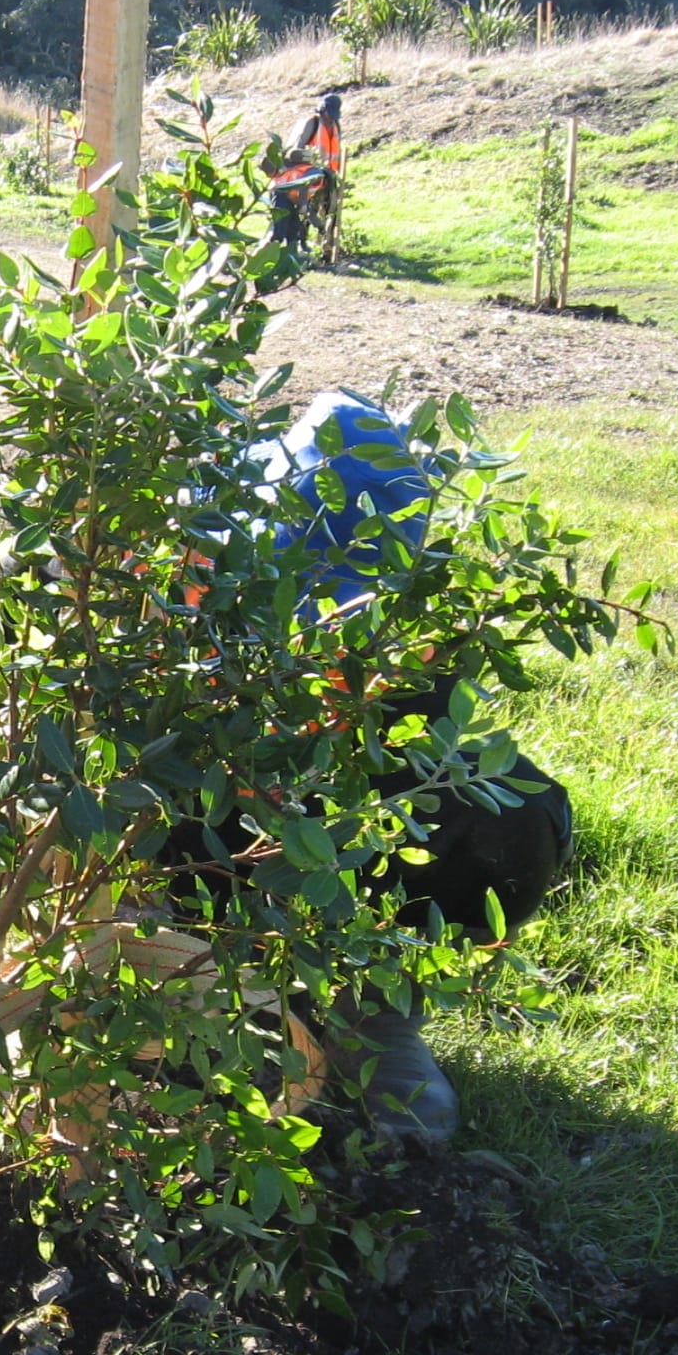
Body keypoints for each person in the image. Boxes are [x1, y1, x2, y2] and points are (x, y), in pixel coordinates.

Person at [166, 388, 575, 1147]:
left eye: (350, 616)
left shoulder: (418, 636)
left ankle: (366, 1008)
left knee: (514, 816)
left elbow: (434, 759)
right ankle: (153, 971)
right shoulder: (177, 554)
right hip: (183, 834)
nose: (324, 640)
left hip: (319, 845)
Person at [268, 89, 344, 253]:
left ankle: (295, 250)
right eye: (328, 114)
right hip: (293, 182)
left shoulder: (335, 126)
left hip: (322, 175)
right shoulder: (312, 123)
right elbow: (296, 150)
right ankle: (272, 254)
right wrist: (316, 221)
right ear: (322, 110)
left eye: (333, 115)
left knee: (297, 223)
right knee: (283, 227)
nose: (330, 119)